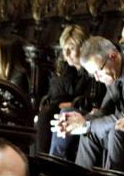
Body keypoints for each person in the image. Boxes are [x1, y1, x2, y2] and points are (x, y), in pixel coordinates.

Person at [53, 36, 124, 173]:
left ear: (112, 56)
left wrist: (86, 125)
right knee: (89, 134)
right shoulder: (113, 72)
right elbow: (103, 111)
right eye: (93, 75)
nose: (97, 79)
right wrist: (80, 121)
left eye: (98, 71)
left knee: (115, 132)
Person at [38, 24, 104, 157]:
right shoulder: (67, 69)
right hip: (72, 107)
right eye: (65, 48)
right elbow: (55, 95)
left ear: (83, 47)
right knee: (46, 112)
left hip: (88, 112)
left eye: (71, 48)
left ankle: (54, 159)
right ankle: (41, 158)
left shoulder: (93, 67)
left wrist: (69, 103)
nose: (66, 53)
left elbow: (92, 100)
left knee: (65, 113)